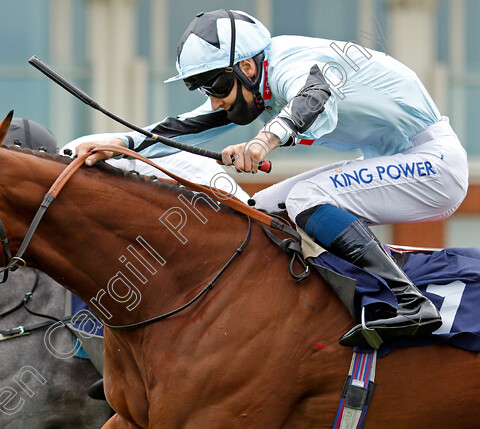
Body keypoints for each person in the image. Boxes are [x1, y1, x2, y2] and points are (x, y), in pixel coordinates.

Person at [75, 9, 468, 348]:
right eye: (206, 89)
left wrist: (263, 142)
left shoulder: (290, 63)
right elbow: (187, 126)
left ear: (246, 67)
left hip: (433, 163)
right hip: (401, 161)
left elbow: (313, 96)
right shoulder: (255, 81)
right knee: (254, 214)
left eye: (216, 86)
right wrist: (120, 143)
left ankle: (412, 303)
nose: (215, 100)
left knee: (306, 198)